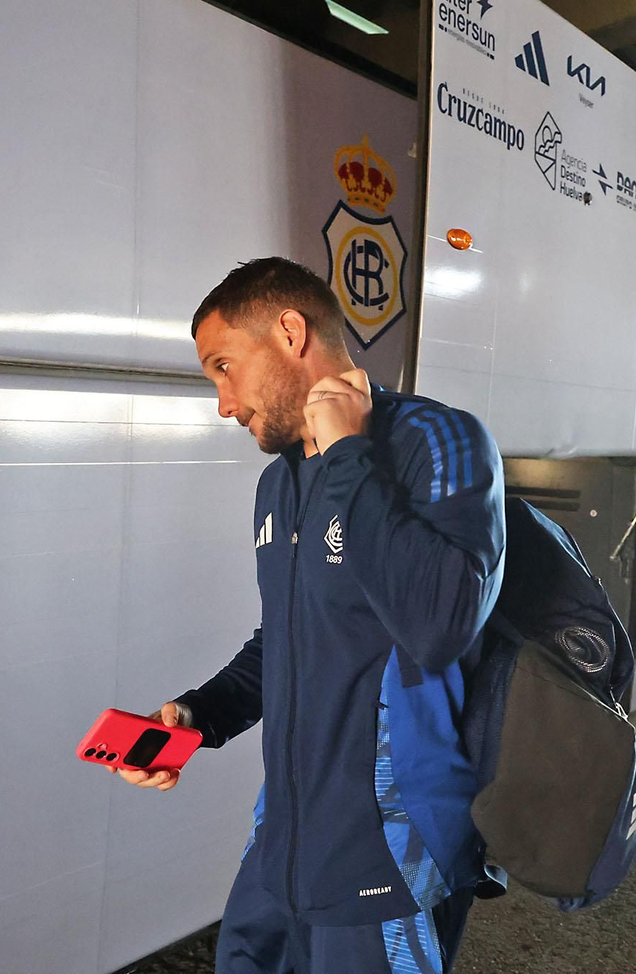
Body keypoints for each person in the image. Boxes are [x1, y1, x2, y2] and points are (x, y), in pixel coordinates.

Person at [111, 258, 506, 974]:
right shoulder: (278, 482)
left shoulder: (436, 441)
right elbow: (286, 641)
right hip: (286, 844)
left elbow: (442, 624)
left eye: (225, 366)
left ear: (291, 331)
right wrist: (199, 716)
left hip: (388, 851)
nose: (223, 402)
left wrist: (350, 453)